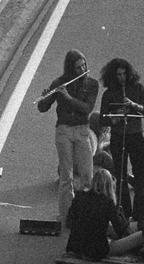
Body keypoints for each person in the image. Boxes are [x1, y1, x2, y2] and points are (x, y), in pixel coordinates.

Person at [36, 49, 98, 222]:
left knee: (87, 175)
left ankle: (85, 215)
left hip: (82, 130)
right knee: (66, 177)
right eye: (78, 68)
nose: (83, 69)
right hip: (63, 131)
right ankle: (66, 215)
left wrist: (68, 97)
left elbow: (87, 109)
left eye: (84, 65)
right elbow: (42, 108)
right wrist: (44, 98)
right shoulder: (60, 82)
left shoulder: (92, 84)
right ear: (70, 69)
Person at [98, 58, 144, 221]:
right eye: (118, 75)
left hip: (136, 135)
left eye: (124, 74)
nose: (121, 78)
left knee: (140, 175)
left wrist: (133, 105)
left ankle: (140, 214)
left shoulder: (137, 88)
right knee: (121, 175)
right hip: (118, 136)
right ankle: (125, 212)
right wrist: (113, 120)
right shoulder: (109, 94)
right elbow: (102, 118)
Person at [65, 169, 133, 261]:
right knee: (138, 234)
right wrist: (121, 216)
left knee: (98, 226)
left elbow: (69, 221)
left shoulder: (79, 196)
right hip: (96, 251)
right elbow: (120, 230)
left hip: (75, 246)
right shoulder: (108, 202)